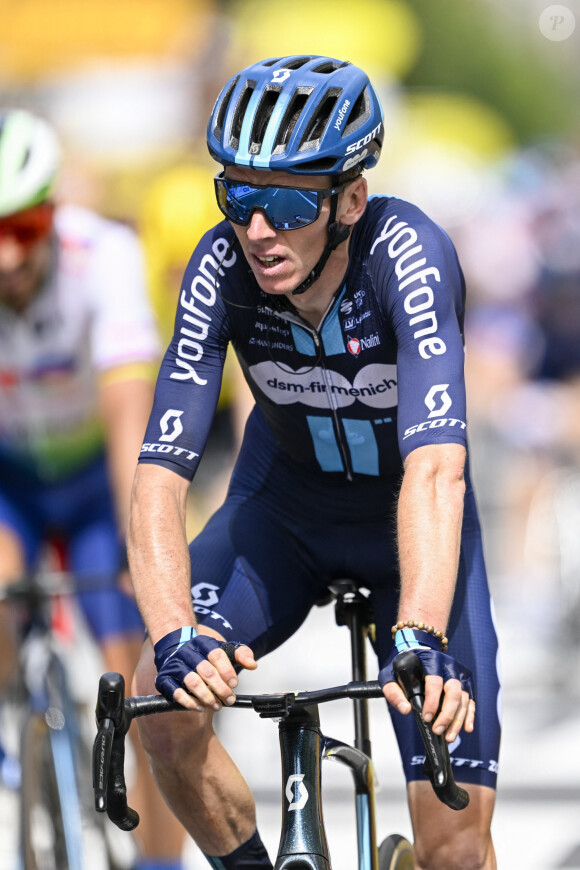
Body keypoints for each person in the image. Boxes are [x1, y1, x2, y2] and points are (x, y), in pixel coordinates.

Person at [128, 55, 501, 870]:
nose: (258, 229)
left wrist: (422, 633)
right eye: (238, 196)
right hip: (284, 515)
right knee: (160, 705)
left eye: (290, 200)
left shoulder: (406, 255)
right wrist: (171, 636)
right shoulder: (220, 267)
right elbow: (159, 478)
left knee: (456, 846)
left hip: (410, 528)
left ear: (350, 200)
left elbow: (437, 471)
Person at [0, 109, 184, 870]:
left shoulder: (102, 256)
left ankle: (159, 862)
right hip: (11, 476)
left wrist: (151, 553)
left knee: (146, 688)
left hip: (92, 482)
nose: (10, 256)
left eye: (28, 226)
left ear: (54, 213)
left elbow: (128, 423)